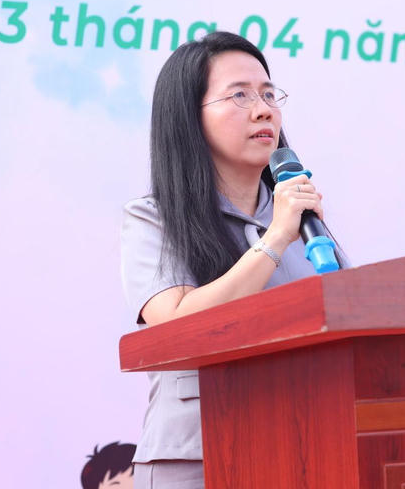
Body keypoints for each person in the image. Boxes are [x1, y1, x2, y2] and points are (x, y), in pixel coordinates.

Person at [120, 31, 347, 489]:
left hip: (303, 452)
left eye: (268, 94)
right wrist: (275, 239)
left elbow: (351, 320)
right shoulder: (152, 218)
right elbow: (177, 324)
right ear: (189, 117)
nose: (264, 110)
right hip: (198, 462)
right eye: (239, 95)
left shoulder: (303, 221)